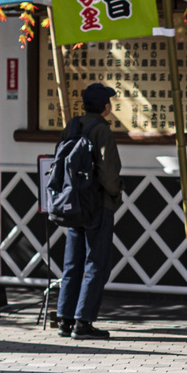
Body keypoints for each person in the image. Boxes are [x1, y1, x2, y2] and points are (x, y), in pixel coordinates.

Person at [56, 82, 122, 340]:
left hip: (73, 203)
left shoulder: (72, 127)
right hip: (98, 204)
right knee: (96, 263)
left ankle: (65, 319)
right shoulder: (102, 131)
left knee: (72, 263)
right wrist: (115, 193)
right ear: (105, 107)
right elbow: (108, 173)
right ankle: (83, 323)